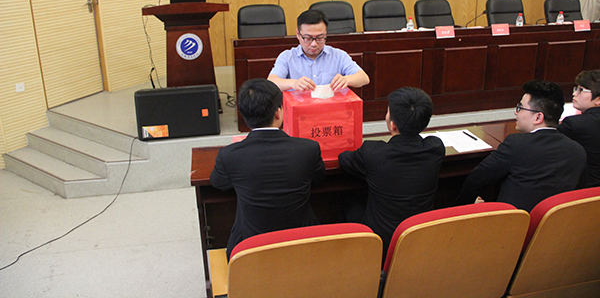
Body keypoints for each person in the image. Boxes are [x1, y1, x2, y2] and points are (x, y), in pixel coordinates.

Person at [210, 78, 326, 258]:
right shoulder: (308, 149)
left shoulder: (229, 155)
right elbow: (318, 179)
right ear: (278, 112)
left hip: (250, 251)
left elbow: (218, 183)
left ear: (244, 114)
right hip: (302, 246)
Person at [338, 87, 445, 259]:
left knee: (347, 200)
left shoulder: (373, 152)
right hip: (420, 234)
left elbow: (344, 159)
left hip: (382, 242)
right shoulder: (435, 148)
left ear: (392, 124)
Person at [457, 80, 586, 212]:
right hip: (553, 223)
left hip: (514, 222)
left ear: (538, 117)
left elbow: (477, 178)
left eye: (520, 108)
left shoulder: (516, 144)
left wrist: (465, 206)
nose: (515, 112)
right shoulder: (578, 151)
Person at [267, 9, 370, 92]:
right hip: (299, 108)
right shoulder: (287, 57)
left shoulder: (338, 55)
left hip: (330, 107)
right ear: (298, 34)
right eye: (308, 38)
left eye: (320, 38)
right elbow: (271, 82)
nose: (314, 44)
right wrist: (293, 83)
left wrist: (346, 79)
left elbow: (364, 78)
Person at [558, 70, 600, 188]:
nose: (574, 94)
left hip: (584, 190)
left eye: (581, 90)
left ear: (598, 99)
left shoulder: (573, 124)